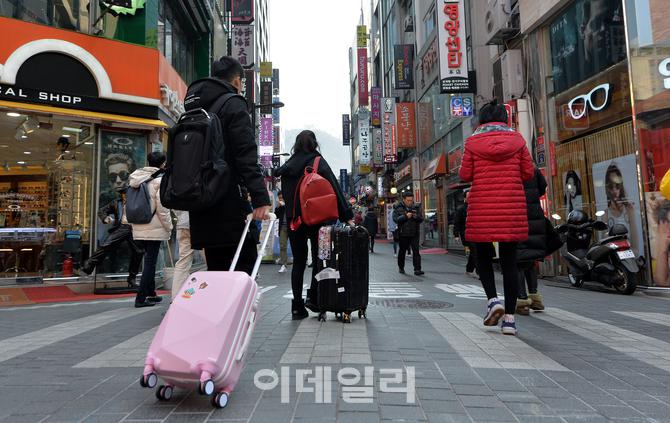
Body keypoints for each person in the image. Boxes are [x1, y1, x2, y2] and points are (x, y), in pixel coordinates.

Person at [184, 56, 271, 274]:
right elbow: (245, 154)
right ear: (237, 81)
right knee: (242, 274)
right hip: (229, 202)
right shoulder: (233, 104)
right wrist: (260, 198)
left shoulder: (194, 106)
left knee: (216, 273)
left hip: (201, 203)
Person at [459, 99, 534, 336]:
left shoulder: (472, 143)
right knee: (509, 261)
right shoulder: (518, 141)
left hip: (482, 205)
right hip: (511, 206)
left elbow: (465, 174)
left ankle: (493, 301)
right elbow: (528, 172)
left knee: (482, 255)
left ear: (482, 120)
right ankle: (510, 320)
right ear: (505, 118)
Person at [276, 130, 354, 319]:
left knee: (299, 263)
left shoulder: (287, 167)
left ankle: (297, 307)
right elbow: (334, 189)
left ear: (296, 145)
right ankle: (314, 298)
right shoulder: (318, 162)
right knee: (320, 260)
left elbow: (286, 196)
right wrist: (347, 216)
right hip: (318, 221)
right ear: (314, 143)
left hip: (295, 222)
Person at [128, 152, 173, 308]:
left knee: (147, 260)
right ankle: (140, 298)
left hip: (138, 224)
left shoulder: (136, 177)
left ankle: (151, 293)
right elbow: (163, 208)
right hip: (154, 227)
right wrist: (169, 226)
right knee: (150, 263)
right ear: (162, 163)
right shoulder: (159, 180)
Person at [80, 191, 143, 287]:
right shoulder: (116, 203)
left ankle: (132, 279)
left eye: (127, 193)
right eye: (123, 194)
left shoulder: (139, 201)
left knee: (138, 252)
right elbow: (102, 211)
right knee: (106, 244)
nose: (125, 196)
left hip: (135, 228)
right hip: (122, 227)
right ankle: (89, 264)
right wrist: (105, 218)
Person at [515, 168, 548, 315]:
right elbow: (542, 188)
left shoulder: (511, 170)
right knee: (531, 259)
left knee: (519, 261)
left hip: (517, 217)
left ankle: (522, 301)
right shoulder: (534, 171)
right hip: (535, 217)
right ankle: (535, 298)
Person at [604, 163, 639, 255]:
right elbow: (604, 244)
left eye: (617, 186)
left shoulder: (629, 210)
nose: (614, 190)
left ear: (621, 186)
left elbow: (635, 248)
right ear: (607, 188)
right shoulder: (605, 214)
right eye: (611, 187)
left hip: (629, 260)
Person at [393, 192, 424, 276]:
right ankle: (401, 267)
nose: (410, 202)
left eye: (411, 200)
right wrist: (406, 216)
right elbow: (395, 219)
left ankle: (417, 269)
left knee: (416, 251)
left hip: (414, 233)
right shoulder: (398, 207)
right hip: (403, 233)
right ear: (404, 199)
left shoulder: (416, 207)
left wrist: (415, 216)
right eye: (408, 200)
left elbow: (421, 219)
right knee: (402, 251)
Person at [454, 189, 477, 278]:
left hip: (476, 233)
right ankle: (479, 271)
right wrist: (456, 235)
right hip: (466, 233)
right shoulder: (461, 209)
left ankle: (469, 269)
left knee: (474, 251)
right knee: (475, 250)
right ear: (465, 198)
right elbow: (457, 222)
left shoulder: (476, 207)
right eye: (468, 197)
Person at [172, 210, 194, 300]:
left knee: (183, 261)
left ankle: (175, 298)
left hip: (182, 223)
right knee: (211, 261)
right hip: (198, 223)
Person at [275, 190, 289, 273]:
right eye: (279, 198)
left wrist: (285, 205)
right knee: (282, 245)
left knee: (297, 246)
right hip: (283, 226)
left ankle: (300, 261)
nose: (281, 199)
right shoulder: (280, 206)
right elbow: (276, 215)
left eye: (282, 198)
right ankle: (284, 264)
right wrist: (278, 207)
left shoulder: (290, 203)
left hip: (292, 226)